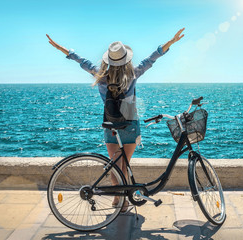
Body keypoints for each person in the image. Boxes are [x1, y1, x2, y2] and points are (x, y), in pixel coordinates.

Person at [46, 28, 184, 212]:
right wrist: (171, 42)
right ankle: (124, 203)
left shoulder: (101, 76)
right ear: (126, 59)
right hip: (129, 123)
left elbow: (81, 61)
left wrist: (60, 48)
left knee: (116, 167)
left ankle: (118, 201)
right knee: (124, 166)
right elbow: (152, 58)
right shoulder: (133, 74)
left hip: (110, 124)